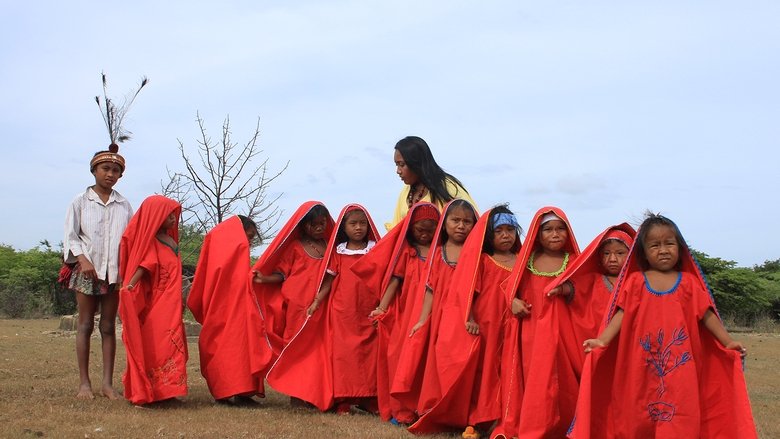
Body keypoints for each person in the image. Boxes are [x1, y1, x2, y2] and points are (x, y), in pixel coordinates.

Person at [569, 213, 757, 438]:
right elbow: (621, 315)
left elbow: (707, 316)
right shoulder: (635, 282)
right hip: (639, 364)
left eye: (669, 243)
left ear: (680, 249)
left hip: (681, 366)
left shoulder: (689, 283)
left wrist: (728, 342)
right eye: (655, 245)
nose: (663, 250)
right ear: (643, 253)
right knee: (636, 414)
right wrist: (602, 340)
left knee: (680, 414)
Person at [409, 205, 521, 436]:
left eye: (511, 230)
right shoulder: (483, 259)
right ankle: (478, 416)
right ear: (489, 234)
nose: (506, 235)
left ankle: (501, 416)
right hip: (486, 323)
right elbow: (469, 290)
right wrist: (468, 317)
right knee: (483, 370)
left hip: (512, 325)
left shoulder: (521, 259)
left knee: (506, 369)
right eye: (499, 230)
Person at [266, 204, 381, 414]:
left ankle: (367, 397)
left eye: (322, 224)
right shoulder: (331, 250)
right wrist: (316, 302)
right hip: (319, 309)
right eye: (353, 223)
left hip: (362, 309)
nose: (358, 228)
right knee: (317, 351)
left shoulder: (340, 247)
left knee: (367, 354)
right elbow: (319, 279)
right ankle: (312, 395)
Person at [493, 207, 582, 439]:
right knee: (534, 377)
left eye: (560, 229)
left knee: (561, 379)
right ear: (537, 234)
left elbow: (586, 289)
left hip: (562, 333)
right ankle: (533, 423)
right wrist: (513, 302)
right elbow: (510, 288)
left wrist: (568, 288)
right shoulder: (527, 261)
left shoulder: (573, 261)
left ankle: (564, 425)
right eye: (548, 230)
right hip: (531, 332)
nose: (555, 234)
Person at [351, 202, 440, 424]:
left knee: (426, 360)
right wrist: (382, 306)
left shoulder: (440, 253)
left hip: (431, 313)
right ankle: (401, 409)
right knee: (400, 358)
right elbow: (394, 281)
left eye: (431, 230)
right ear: (410, 229)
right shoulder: (407, 253)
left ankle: (424, 407)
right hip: (406, 311)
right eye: (420, 230)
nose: (425, 235)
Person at [391, 199, 478, 417]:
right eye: (455, 220)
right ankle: (432, 407)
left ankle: (460, 411)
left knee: (460, 362)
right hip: (439, 315)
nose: (461, 225)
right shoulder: (438, 253)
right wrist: (422, 319)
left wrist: (473, 317)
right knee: (436, 361)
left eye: (467, 221)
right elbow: (430, 288)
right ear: (445, 222)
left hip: (463, 316)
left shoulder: (476, 253)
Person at [62, 149, 133, 400]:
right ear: (94, 170)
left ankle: (107, 384)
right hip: (87, 271)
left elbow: (129, 240)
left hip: (114, 274)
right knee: (84, 325)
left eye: (116, 171)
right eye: (105, 169)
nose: (110, 174)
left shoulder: (124, 205)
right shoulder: (80, 201)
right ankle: (84, 384)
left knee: (108, 327)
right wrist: (83, 259)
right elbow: (71, 236)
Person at [187, 215, 272, 405]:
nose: (249, 242)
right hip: (221, 312)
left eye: (251, 238)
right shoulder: (221, 250)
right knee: (226, 349)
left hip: (240, 313)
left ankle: (243, 392)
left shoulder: (234, 254)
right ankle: (224, 391)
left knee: (241, 349)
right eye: (248, 236)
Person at [119, 195, 188, 405]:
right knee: (160, 342)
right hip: (159, 300)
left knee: (173, 342)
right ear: (156, 216)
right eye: (168, 214)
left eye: (174, 214)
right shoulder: (152, 243)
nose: (173, 218)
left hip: (173, 299)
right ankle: (156, 390)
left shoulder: (170, 240)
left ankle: (170, 390)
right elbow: (144, 266)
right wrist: (130, 285)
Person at [545, 223, 636, 374]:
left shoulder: (636, 281)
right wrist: (560, 289)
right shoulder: (594, 280)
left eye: (620, 253)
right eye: (606, 254)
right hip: (599, 339)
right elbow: (576, 287)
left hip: (628, 342)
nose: (612, 258)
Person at [251, 201, 335, 354]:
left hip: (325, 301)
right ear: (303, 225)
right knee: (295, 341)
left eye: (322, 223)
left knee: (321, 344)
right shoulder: (295, 247)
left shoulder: (332, 246)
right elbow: (281, 274)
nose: (319, 227)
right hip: (298, 304)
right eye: (313, 224)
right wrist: (264, 279)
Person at [386, 136, 477, 230]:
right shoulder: (405, 192)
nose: (398, 171)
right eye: (397, 165)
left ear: (416, 163)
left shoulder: (449, 187)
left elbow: (473, 222)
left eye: (402, 165)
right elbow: (395, 230)